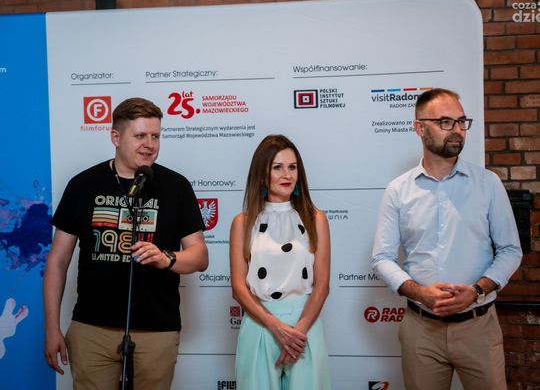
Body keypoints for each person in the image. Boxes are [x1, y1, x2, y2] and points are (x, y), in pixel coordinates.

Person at [43, 97, 208, 390]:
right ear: (116, 137)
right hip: (92, 328)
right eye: (140, 135)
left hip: (157, 328)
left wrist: (166, 258)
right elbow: (58, 260)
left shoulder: (176, 186)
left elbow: (199, 256)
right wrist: (52, 327)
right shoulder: (83, 185)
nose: (150, 144)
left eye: (155, 136)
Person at [371, 88, 522, 390]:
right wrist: (420, 293)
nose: (457, 130)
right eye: (445, 122)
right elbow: (382, 258)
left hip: (478, 328)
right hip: (421, 331)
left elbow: (510, 250)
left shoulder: (488, 184)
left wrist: (477, 291)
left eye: (461, 122)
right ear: (419, 128)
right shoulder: (398, 190)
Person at [229, 135, 332, 389]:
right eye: (277, 167)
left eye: (292, 167)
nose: (287, 175)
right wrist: (275, 326)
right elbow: (239, 288)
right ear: (262, 175)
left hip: (304, 327)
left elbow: (322, 285)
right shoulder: (243, 223)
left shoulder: (316, 219)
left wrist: (298, 332)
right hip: (260, 324)